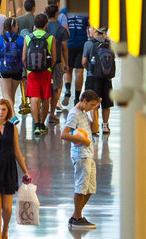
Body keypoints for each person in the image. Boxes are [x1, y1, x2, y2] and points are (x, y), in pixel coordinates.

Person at [0, 99, 30, 239]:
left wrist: (25, 171)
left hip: (8, 166)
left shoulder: (12, 127)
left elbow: (17, 151)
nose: (0, 112)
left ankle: (5, 228)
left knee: (7, 207)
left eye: (4, 109)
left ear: (8, 111)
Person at [61, 90, 101, 229]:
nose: (92, 107)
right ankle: (77, 217)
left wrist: (94, 112)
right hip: (80, 155)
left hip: (89, 154)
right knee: (81, 186)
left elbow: (95, 129)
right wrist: (81, 139)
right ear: (84, 101)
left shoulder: (84, 113)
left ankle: (75, 216)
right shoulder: (74, 114)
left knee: (90, 188)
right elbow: (64, 134)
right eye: (91, 105)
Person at [22, 13, 56, 133]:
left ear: (35, 24)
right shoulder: (50, 37)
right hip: (46, 71)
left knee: (34, 97)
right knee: (45, 97)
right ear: (46, 24)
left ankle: (36, 124)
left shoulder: (28, 37)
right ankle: (42, 124)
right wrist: (49, 68)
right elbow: (54, 58)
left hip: (32, 72)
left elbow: (24, 57)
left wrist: (28, 69)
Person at [82, 26, 116, 134]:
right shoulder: (110, 44)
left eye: (91, 28)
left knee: (93, 102)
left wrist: (89, 69)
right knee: (106, 102)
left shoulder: (89, 44)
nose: (89, 30)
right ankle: (105, 126)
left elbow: (84, 61)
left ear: (96, 31)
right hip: (107, 77)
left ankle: (95, 127)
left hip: (93, 77)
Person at [0, 18, 25, 116]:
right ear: (13, 26)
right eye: (17, 25)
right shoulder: (21, 39)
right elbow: (23, 57)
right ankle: (9, 117)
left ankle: (13, 116)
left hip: (4, 70)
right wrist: (25, 71)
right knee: (11, 95)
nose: (18, 27)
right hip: (17, 70)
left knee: (6, 95)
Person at [43, 4, 71, 122]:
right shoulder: (61, 29)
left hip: (42, 62)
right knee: (56, 87)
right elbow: (64, 47)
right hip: (57, 61)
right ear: (57, 14)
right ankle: (52, 114)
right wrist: (67, 63)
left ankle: (42, 113)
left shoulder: (43, 27)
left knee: (43, 87)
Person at [64, 12, 90, 105]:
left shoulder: (64, 12)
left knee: (68, 69)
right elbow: (89, 28)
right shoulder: (84, 12)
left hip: (68, 44)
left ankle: (67, 90)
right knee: (79, 71)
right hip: (81, 44)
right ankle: (76, 98)